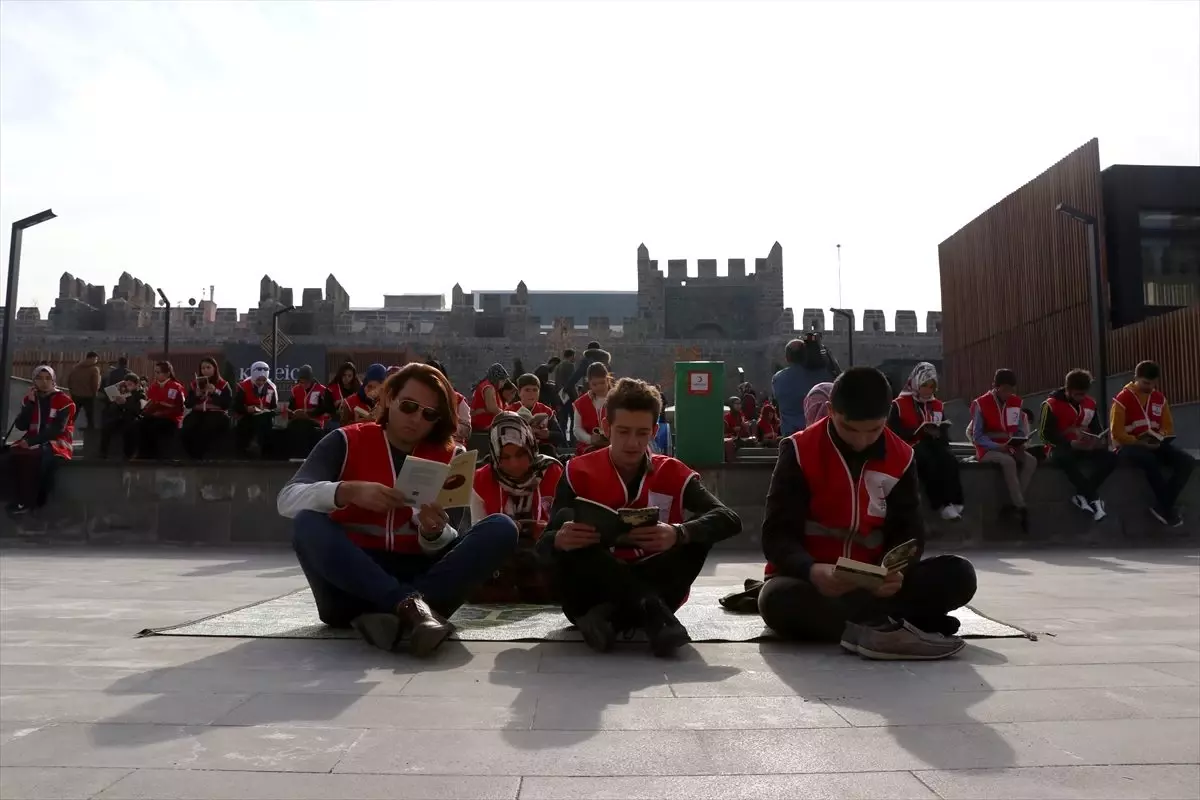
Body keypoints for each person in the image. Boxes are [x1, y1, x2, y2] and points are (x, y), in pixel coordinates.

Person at [278, 363, 519, 657]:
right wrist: (347, 491)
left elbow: (450, 538)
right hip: (349, 580)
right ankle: (410, 608)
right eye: (408, 406)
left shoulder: (452, 456)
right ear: (389, 397)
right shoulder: (345, 440)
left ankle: (396, 614)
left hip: (418, 570)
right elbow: (287, 498)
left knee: (502, 527)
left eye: (429, 414)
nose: (417, 418)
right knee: (307, 523)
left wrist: (433, 533)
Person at [758, 366, 975, 660]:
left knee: (959, 574)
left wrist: (898, 571)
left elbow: (909, 530)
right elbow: (776, 534)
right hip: (816, 582)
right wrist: (811, 569)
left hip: (876, 584)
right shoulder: (799, 450)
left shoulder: (902, 457)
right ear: (832, 411)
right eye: (850, 429)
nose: (861, 440)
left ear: (886, 417)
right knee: (777, 601)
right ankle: (894, 624)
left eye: (873, 430)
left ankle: (867, 625)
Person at [539, 378, 741, 656]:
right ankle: (648, 609)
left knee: (698, 536)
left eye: (642, 433)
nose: (632, 443)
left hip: (655, 575)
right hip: (593, 585)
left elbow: (729, 518)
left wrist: (678, 533)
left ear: (654, 431)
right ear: (607, 428)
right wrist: (560, 540)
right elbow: (544, 545)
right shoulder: (578, 471)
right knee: (574, 546)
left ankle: (611, 617)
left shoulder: (673, 471)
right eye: (623, 432)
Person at [469, 412, 564, 602]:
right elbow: (478, 532)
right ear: (495, 455)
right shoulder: (480, 479)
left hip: (545, 553)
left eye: (521, 454)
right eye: (505, 457)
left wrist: (536, 528)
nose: (514, 463)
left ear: (530, 446)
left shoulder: (552, 471)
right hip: (503, 557)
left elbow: (562, 524)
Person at [1111, 360, 1195, 527]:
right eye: (1145, 383)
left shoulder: (1159, 399)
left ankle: (1162, 506)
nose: (1148, 387)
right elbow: (1117, 432)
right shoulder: (1122, 398)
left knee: (1187, 462)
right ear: (1136, 378)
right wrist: (1138, 442)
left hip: (1153, 444)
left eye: (1152, 383)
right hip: (1128, 446)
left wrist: (1160, 437)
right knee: (1149, 460)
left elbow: (1168, 427)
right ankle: (1167, 508)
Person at [889, 362, 964, 521]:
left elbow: (944, 432)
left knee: (949, 460)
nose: (928, 390)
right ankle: (941, 505)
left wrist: (939, 433)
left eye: (931, 386)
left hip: (933, 443)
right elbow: (892, 431)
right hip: (910, 446)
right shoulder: (899, 404)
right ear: (916, 383)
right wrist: (915, 432)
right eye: (925, 385)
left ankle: (956, 501)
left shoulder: (936, 404)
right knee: (928, 461)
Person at [1039, 369, 1115, 522]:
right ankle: (1093, 497)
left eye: (1083, 394)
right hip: (1062, 447)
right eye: (1076, 394)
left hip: (1085, 447)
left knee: (1112, 458)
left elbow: (1097, 429)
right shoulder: (1051, 405)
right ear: (1067, 390)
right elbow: (1044, 435)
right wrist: (1070, 442)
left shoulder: (1090, 404)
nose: (1080, 398)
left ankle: (1082, 494)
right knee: (1064, 458)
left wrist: (1096, 441)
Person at [970, 369, 1036, 531]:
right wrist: (997, 445)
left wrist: (1020, 441)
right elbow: (977, 436)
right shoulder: (981, 403)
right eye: (1004, 389)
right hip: (987, 449)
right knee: (1008, 462)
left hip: (1010, 445)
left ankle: (1012, 503)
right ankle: (1020, 506)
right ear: (995, 386)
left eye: (1011, 389)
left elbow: (1019, 429)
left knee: (1031, 461)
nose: (1008, 393)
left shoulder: (1016, 403)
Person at [4, 366, 75, 515]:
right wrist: (29, 404)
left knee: (40, 457)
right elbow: (21, 425)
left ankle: (35, 500)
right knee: (11, 455)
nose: (44, 382)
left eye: (48, 378)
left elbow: (57, 430)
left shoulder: (64, 401)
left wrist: (31, 442)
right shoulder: (30, 399)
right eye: (39, 378)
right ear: (34, 380)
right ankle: (16, 498)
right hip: (32, 438)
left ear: (53, 380)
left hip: (58, 441)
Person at [771, 334, 841, 437]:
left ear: (787, 358)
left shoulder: (778, 379)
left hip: (791, 436)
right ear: (805, 354)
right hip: (818, 434)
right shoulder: (824, 375)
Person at [181, 357, 232, 460]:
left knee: (209, 426)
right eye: (203, 368)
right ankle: (193, 455)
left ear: (215, 369)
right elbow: (188, 404)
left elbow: (226, 403)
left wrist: (215, 392)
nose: (205, 370)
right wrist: (196, 395)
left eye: (208, 367)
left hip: (217, 413)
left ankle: (207, 456)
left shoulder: (223, 384)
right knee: (188, 425)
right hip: (198, 412)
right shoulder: (195, 384)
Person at [137, 361, 186, 459]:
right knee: (140, 424)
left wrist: (162, 411)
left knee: (155, 427)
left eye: (158, 372)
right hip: (154, 415)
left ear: (167, 373)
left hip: (171, 418)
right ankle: (142, 454)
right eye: (155, 372)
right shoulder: (153, 387)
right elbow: (149, 402)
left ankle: (156, 455)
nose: (156, 375)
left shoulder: (176, 387)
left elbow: (179, 408)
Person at [507, 372, 564, 455]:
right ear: (519, 392)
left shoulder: (546, 411)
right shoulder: (510, 411)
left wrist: (548, 435)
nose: (531, 394)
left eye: (535, 390)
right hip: (518, 451)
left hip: (542, 451)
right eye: (527, 390)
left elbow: (560, 436)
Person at [233, 361, 279, 457]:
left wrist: (267, 410)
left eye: (263, 380)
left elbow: (274, 407)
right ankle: (249, 448)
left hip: (264, 416)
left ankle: (263, 451)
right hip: (247, 416)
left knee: (265, 421)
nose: (260, 383)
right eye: (258, 380)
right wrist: (247, 408)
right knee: (247, 425)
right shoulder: (243, 386)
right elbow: (236, 406)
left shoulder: (271, 387)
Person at [284, 365, 328, 459]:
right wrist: (292, 413)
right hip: (298, 420)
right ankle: (295, 456)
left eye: (306, 382)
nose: (303, 384)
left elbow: (322, 409)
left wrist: (307, 413)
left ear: (311, 380)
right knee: (293, 427)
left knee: (305, 428)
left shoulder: (321, 390)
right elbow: (291, 407)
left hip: (315, 421)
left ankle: (307, 457)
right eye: (301, 382)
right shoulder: (296, 390)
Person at [425, 358, 472, 442]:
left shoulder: (458, 400)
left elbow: (466, 430)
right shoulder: (417, 399)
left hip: (453, 445)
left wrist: (444, 429)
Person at [99, 373, 144, 460]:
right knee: (107, 427)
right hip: (120, 417)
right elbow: (112, 409)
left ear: (136, 385)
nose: (128, 387)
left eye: (130, 385)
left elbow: (137, 410)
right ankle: (103, 452)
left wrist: (125, 403)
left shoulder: (140, 394)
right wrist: (115, 402)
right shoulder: (123, 392)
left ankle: (128, 454)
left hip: (132, 418)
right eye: (126, 384)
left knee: (129, 429)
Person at [572, 362, 611, 455]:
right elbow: (577, 429)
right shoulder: (581, 403)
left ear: (608, 380)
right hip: (589, 446)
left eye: (602, 382)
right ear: (589, 383)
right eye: (595, 384)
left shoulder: (618, 400)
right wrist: (590, 439)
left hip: (614, 445)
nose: (599, 387)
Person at [66, 352, 102, 430]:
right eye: (96, 359)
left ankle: (67, 427)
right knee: (89, 413)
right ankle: (90, 428)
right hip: (88, 395)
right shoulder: (94, 369)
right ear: (92, 358)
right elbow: (95, 383)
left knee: (74, 412)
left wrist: (72, 391)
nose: (96, 361)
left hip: (76, 394)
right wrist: (95, 393)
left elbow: (69, 380)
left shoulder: (76, 367)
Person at [471, 363, 509, 433]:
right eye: (503, 381)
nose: (503, 384)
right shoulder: (489, 388)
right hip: (483, 425)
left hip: (480, 423)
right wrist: (506, 415)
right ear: (497, 379)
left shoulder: (485, 385)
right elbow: (492, 408)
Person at [323, 362, 360, 430]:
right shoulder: (332, 388)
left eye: (349, 376)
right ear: (340, 374)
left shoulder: (358, 388)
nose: (346, 378)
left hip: (353, 418)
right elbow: (327, 408)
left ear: (353, 376)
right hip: (335, 420)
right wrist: (335, 405)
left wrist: (344, 402)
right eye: (344, 375)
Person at [553, 348, 578, 439]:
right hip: (569, 396)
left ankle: (562, 441)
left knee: (563, 420)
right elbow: (571, 382)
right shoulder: (570, 365)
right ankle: (572, 440)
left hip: (560, 395)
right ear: (571, 356)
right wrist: (576, 397)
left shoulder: (558, 366)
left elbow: (557, 383)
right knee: (573, 418)